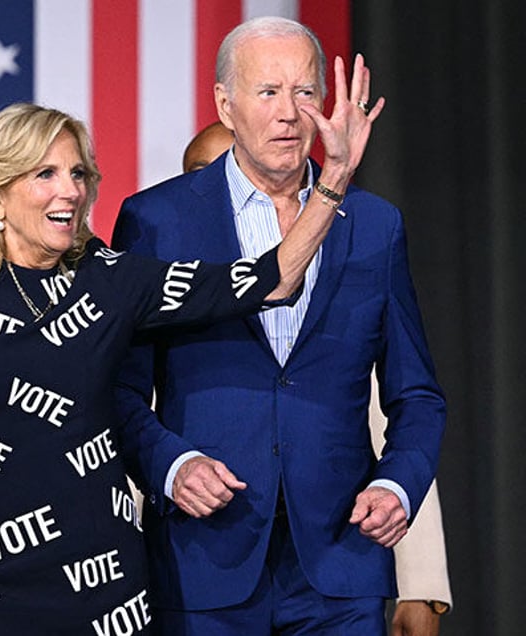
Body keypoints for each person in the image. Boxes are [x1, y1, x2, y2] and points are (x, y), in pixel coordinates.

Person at [0, 96, 374, 634]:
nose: (71, 191)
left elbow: (268, 280)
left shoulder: (112, 277)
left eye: (78, 174)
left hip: (104, 587)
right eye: (44, 174)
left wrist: (334, 178)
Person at [112, 16, 445, 635]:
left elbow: (417, 395)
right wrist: (171, 464)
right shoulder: (156, 221)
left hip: (341, 563)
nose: (290, 114)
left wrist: (398, 487)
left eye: (305, 93)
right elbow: (120, 391)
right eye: (268, 92)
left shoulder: (375, 226)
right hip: (205, 558)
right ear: (225, 105)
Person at [178, 120, 454, 634]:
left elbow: (387, 418)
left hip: (335, 570)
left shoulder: (353, 256)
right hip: (205, 574)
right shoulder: (160, 285)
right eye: (202, 173)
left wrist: (423, 583)